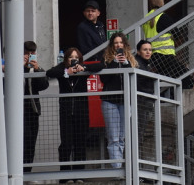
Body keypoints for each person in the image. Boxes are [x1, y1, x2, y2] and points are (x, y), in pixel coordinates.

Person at [46, 46, 99, 176]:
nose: (74, 60)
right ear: (66, 59)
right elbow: (50, 72)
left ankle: (79, 174)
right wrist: (66, 72)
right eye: (71, 57)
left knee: (80, 143)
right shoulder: (62, 69)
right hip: (66, 112)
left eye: (76, 58)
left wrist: (84, 68)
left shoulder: (82, 70)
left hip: (81, 112)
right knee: (66, 143)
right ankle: (64, 175)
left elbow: (99, 66)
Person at [98, 32, 136, 169]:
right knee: (113, 137)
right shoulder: (106, 60)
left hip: (126, 101)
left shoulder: (131, 60)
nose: (118, 45)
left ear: (124, 45)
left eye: (120, 43)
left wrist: (125, 63)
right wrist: (114, 62)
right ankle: (117, 168)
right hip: (110, 101)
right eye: (115, 43)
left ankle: (120, 166)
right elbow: (104, 80)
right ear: (112, 45)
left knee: (122, 137)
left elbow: (133, 79)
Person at [23, 41, 50, 172]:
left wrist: (37, 69)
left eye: (32, 53)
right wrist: (20, 66)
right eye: (27, 53)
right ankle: (18, 172)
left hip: (32, 110)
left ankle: (27, 172)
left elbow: (44, 85)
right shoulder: (14, 67)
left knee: (31, 142)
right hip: (17, 110)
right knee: (20, 141)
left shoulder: (36, 69)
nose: (30, 56)